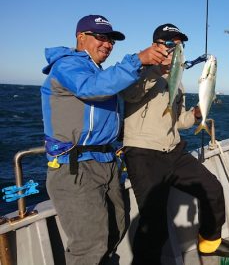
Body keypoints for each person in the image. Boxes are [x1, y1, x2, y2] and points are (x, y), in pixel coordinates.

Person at [41, 14, 167, 265]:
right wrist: (137, 60)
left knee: (116, 227)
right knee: (89, 245)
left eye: (111, 40)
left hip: (108, 163)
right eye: (101, 37)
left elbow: (110, 86)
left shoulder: (99, 72)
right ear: (81, 37)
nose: (108, 45)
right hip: (75, 167)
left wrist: (148, 68)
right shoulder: (67, 66)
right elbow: (92, 88)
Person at [121, 23, 229, 264]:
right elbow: (129, 95)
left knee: (212, 189)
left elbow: (178, 121)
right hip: (143, 155)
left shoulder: (178, 83)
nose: (175, 48)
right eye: (169, 44)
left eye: (179, 45)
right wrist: (154, 69)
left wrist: (196, 114)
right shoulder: (137, 73)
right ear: (155, 45)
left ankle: (209, 242)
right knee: (154, 224)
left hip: (174, 151)